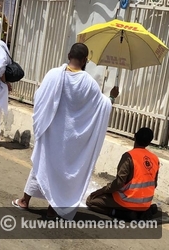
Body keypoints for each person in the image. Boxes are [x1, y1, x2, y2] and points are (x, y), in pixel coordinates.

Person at [12, 43, 119, 220]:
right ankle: (52, 210)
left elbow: (39, 98)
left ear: (69, 54)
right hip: (70, 138)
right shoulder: (89, 84)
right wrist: (112, 96)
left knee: (42, 166)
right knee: (61, 173)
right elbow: (102, 107)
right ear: (85, 60)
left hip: (50, 132)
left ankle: (24, 201)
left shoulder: (53, 74)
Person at [86, 127, 160, 220]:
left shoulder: (129, 156)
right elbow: (154, 184)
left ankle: (122, 213)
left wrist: (102, 190)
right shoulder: (155, 159)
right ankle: (142, 211)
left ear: (135, 136)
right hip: (145, 203)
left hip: (126, 200)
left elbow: (118, 183)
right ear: (149, 142)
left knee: (90, 201)